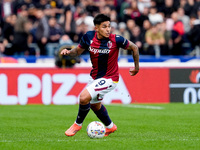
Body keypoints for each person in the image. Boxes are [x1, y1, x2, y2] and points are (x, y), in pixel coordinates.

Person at [60, 14, 139, 137]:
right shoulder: (88, 37)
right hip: (95, 77)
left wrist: (136, 67)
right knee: (94, 105)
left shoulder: (116, 39)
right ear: (96, 28)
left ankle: (77, 124)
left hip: (110, 78)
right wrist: (68, 52)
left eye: (109, 26)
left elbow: (134, 47)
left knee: (83, 97)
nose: (108, 29)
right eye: (104, 27)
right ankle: (110, 126)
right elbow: (77, 51)